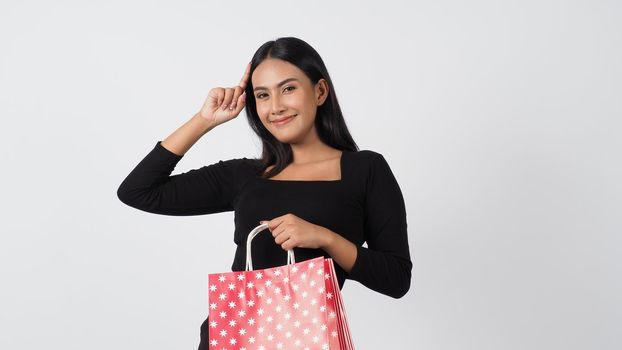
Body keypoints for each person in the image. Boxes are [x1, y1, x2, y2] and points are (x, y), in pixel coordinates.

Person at [116, 36, 412, 349]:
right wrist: (204, 120)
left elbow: (396, 279)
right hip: (231, 339)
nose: (276, 107)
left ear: (320, 91)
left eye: (288, 89)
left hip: (307, 340)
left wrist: (324, 238)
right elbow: (138, 191)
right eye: (262, 95)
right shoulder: (245, 175)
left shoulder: (365, 169)